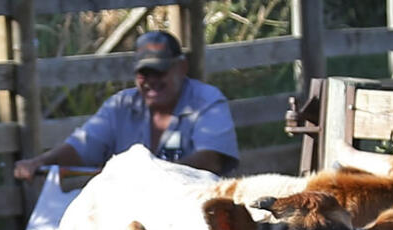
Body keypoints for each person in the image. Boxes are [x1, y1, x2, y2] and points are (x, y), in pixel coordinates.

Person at [12, 30, 240, 180]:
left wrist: (151, 175)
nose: (152, 81)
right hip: (131, 214)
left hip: (193, 206)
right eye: (144, 73)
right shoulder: (120, 105)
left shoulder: (207, 101)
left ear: (181, 68)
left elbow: (211, 159)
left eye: (160, 71)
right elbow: (82, 146)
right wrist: (39, 162)